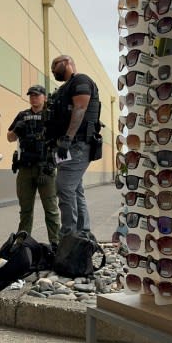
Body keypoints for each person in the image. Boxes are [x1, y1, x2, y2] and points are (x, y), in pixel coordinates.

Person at [50, 55, 100, 236]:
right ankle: (83, 235)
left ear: (68, 62)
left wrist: (67, 138)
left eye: (55, 65)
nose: (53, 70)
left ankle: (69, 236)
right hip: (69, 146)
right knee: (75, 189)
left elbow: (80, 109)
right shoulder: (64, 89)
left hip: (77, 144)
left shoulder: (81, 81)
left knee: (64, 187)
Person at [7, 85, 59, 249]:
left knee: (51, 209)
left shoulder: (51, 115)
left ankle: (56, 242)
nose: (34, 98)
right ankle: (22, 243)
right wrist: (17, 129)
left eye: (37, 95)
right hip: (26, 168)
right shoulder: (23, 115)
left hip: (45, 167)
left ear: (44, 97)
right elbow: (9, 137)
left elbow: (60, 139)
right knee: (25, 210)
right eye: (31, 96)